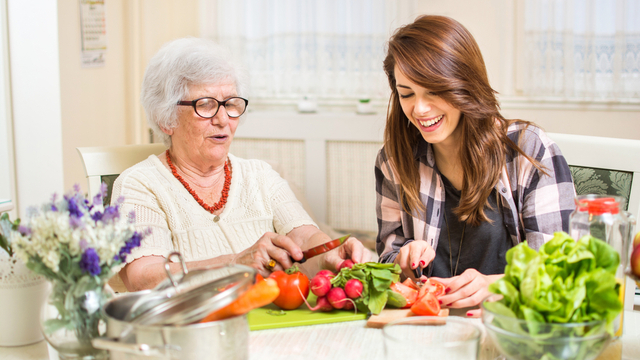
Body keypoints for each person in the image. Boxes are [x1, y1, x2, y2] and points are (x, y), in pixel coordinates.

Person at [112, 37, 370, 291]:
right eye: (206, 105)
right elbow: (143, 277)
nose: (223, 119)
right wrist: (234, 263)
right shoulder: (139, 185)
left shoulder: (260, 175)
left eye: (231, 103)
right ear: (166, 118)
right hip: (195, 328)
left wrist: (329, 254)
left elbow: (303, 236)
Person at [375, 15, 575, 316]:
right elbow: (387, 259)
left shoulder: (528, 150)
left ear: (463, 84)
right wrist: (403, 258)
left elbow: (561, 271)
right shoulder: (393, 160)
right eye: (407, 94)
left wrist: (499, 287)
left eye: (433, 90)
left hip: (509, 328)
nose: (419, 109)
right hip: (427, 327)